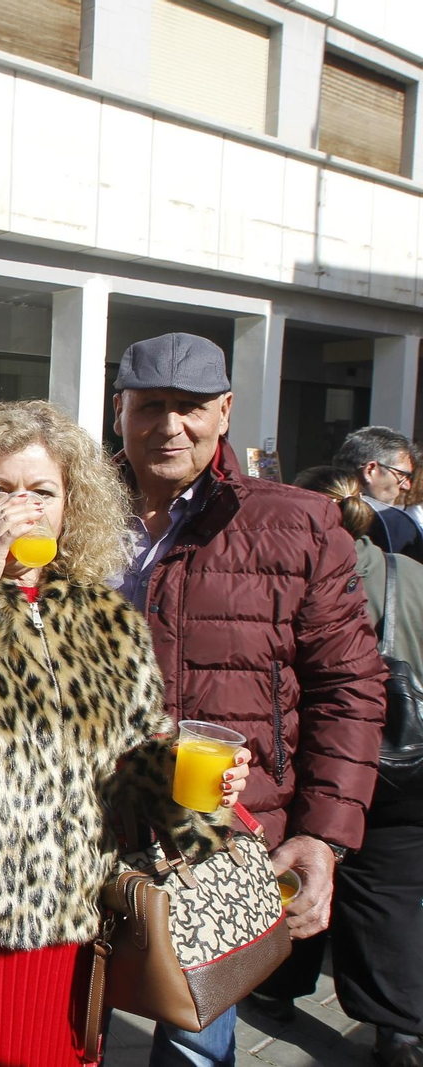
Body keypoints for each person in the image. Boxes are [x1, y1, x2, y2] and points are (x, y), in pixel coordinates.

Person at [0, 400, 250, 1065]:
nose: (22, 507)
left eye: (41, 490)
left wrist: (189, 778)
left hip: (64, 919)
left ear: (71, 504)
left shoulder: (102, 615)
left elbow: (134, 757)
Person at [105, 333, 387, 1067]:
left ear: (225, 411)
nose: (171, 426)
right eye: (152, 406)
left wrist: (323, 839)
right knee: (70, 1022)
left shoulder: (295, 523)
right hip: (82, 823)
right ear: (120, 412)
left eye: (192, 407)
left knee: (197, 1039)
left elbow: (350, 688)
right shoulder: (73, 513)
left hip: (219, 835)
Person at [288, 466, 423, 1067]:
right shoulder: (412, 574)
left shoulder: (306, 576)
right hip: (412, 763)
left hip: (333, 760)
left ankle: (275, 984)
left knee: (293, 869)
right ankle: (399, 1031)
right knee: (391, 891)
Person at [332, 426, 423, 563]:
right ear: (370, 470)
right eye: (402, 475)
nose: (406, 486)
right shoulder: (394, 523)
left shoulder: (298, 506)